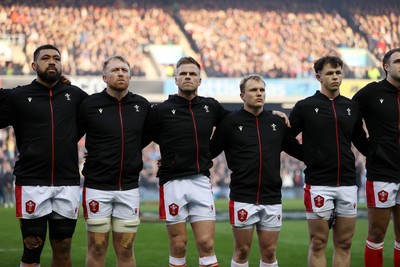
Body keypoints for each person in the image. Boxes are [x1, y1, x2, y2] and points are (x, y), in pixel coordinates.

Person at [0, 44, 88, 267]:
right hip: (31, 182)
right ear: (33, 65)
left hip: (67, 183)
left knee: (63, 249)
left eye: (56, 58)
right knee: (32, 248)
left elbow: (100, 112)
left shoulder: (75, 95)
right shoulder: (18, 96)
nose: (51, 62)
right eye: (45, 58)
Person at [144, 56, 230, 267]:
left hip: (201, 181)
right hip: (173, 182)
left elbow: (237, 122)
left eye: (192, 74)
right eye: (183, 73)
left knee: (206, 244)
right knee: (178, 245)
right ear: (175, 79)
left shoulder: (211, 107)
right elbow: (139, 137)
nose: (188, 77)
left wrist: (271, 115)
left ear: (200, 80)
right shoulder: (161, 111)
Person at [209, 74, 303, 267]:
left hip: (271, 197)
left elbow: (300, 151)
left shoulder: (276, 122)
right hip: (243, 195)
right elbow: (208, 152)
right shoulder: (230, 123)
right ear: (242, 95)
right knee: (242, 251)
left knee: (269, 252)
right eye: (253, 90)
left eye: (261, 90)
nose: (259, 93)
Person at [289, 56, 368, 267]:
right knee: (318, 242)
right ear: (318, 77)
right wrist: (307, 156)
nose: (335, 77)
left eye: (338, 72)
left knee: (344, 243)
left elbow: (362, 142)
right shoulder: (305, 106)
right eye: (330, 73)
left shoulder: (351, 107)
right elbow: (285, 139)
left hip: (348, 184)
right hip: (318, 183)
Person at [79, 55, 150, 267]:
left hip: (128, 187)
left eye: (124, 70)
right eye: (115, 70)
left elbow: (148, 136)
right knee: (98, 246)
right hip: (97, 187)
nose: (120, 73)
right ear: (104, 77)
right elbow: (69, 133)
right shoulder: (90, 104)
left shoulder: (142, 105)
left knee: (126, 248)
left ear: (130, 75)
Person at [352, 48, 400, 267]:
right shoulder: (371, 93)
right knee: (377, 235)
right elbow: (349, 118)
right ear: (386, 67)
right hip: (382, 171)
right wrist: (369, 149)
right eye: (398, 61)